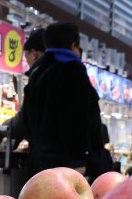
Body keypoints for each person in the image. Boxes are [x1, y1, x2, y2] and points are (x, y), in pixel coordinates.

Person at [21, 22, 104, 176]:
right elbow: (78, 119)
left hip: (39, 164)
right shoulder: (74, 71)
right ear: (74, 46)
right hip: (66, 166)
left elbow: (26, 118)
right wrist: (78, 159)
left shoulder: (37, 74)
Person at [0, 28, 45, 149]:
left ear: (34, 54)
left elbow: (27, 117)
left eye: (26, 56)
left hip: (46, 155)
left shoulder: (40, 76)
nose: (27, 62)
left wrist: (5, 129)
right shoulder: (61, 72)